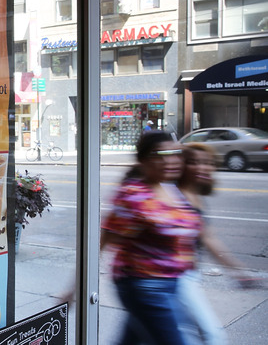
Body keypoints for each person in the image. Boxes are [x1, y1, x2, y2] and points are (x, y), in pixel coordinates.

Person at [101, 131, 201, 345]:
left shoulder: (172, 189)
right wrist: (75, 288)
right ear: (143, 160)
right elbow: (104, 240)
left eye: (175, 153)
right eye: (160, 154)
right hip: (144, 286)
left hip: (172, 283)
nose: (170, 161)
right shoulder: (134, 195)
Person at [176, 143, 248, 345]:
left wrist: (237, 270)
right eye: (193, 162)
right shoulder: (173, 196)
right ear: (182, 165)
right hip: (176, 277)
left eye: (206, 163)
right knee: (212, 335)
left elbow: (207, 238)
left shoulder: (195, 196)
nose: (201, 167)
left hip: (190, 275)